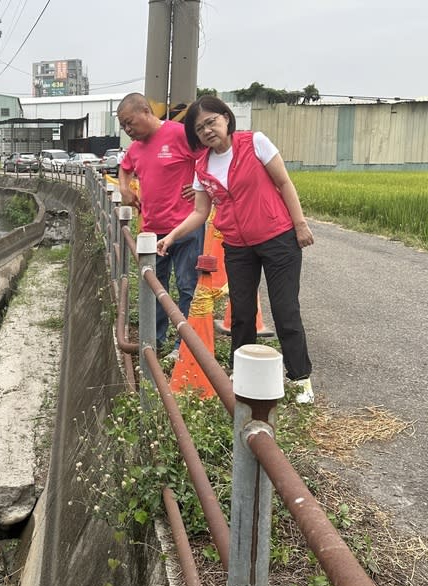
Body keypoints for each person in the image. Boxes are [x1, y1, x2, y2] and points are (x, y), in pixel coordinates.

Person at [157, 95, 315, 403]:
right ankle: (243, 376)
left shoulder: (255, 143)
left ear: (226, 118)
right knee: (242, 314)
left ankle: (300, 379)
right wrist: (172, 236)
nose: (207, 131)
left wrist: (300, 225)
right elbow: (200, 212)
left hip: (278, 238)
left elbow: (284, 183)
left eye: (211, 122)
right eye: (200, 128)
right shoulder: (201, 166)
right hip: (238, 246)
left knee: (285, 311)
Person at [117, 92, 204, 360]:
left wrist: (200, 185)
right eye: (123, 127)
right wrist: (124, 188)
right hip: (153, 230)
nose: (128, 130)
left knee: (188, 287)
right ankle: (153, 341)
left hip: (186, 227)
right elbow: (125, 168)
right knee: (156, 286)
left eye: (130, 123)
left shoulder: (179, 133)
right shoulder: (135, 148)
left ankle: (183, 348)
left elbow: (206, 158)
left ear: (146, 110)